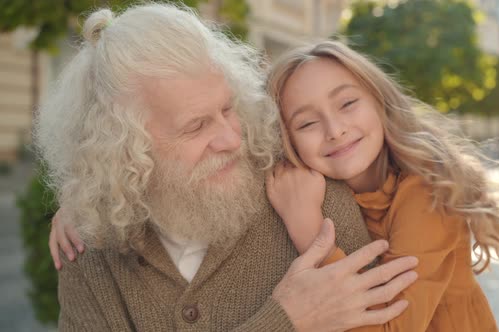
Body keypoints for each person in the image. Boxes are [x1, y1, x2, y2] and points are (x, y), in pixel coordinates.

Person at [38, 4, 418, 331]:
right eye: (196, 126)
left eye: (227, 108)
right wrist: (285, 321)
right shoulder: (88, 255)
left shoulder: (310, 196)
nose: (232, 139)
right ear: (124, 152)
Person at [264, 41, 499, 331]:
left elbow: (391, 327)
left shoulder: (427, 190)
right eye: (307, 123)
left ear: (378, 101)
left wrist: (305, 223)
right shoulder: (324, 192)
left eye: (347, 103)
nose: (335, 130)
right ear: (287, 140)